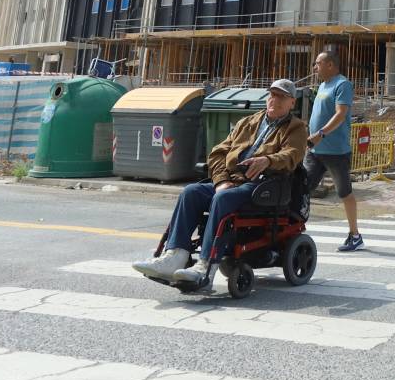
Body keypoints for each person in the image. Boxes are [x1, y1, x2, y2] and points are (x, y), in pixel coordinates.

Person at [132, 79, 308, 284]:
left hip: (260, 185)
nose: (274, 100)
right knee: (191, 192)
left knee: (223, 198)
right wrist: (221, 181)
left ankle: (205, 264)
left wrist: (267, 160)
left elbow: (292, 155)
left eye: (281, 97)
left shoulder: (296, 128)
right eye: (272, 95)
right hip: (231, 181)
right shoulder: (248, 122)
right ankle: (175, 255)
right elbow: (218, 153)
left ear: (291, 103)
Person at [304, 51, 362, 251]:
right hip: (315, 151)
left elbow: (340, 114)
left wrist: (320, 133)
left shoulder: (342, 84)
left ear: (330, 64)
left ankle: (355, 235)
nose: (314, 67)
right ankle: (294, 230)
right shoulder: (321, 85)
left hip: (336, 151)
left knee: (344, 192)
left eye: (317, 63)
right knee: (302, 188)